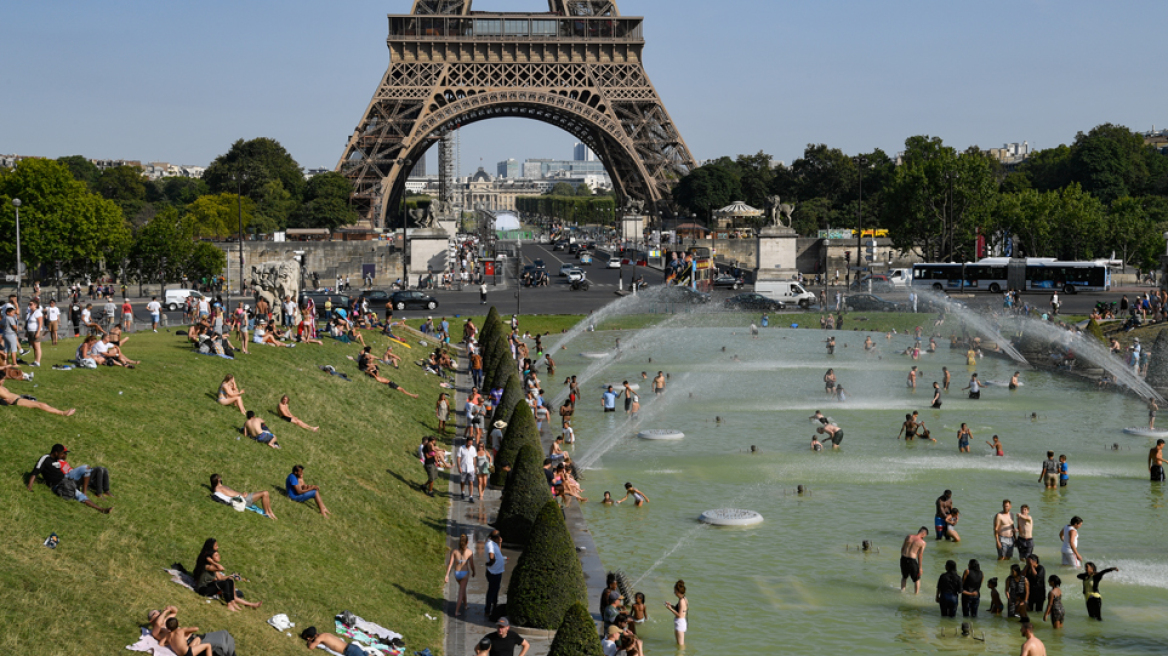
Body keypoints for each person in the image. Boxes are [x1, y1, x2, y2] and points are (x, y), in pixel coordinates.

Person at [27, 443, 112, 513]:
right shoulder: (45, 459)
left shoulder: (56, 460)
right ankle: (101, 509)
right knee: (78, 495)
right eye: (62, 453)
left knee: (86, 468)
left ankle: (85, 492)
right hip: (59, 484)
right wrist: (29, 487)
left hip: (66, 477)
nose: (63, 456)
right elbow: (35, 472)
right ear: (56, 453)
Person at [192, 539, 261, 612]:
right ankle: (229, 604)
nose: (219, 555)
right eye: (216, 555)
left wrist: (229, 577)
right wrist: (214, 562)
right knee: (225, 584)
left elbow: (220, 577)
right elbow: (221, 568)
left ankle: (233, 602)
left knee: (229, 580)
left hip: (209, 585)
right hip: (202, 589)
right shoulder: (208, 566)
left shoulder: (212, 566)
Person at [1, 367, 75, 416]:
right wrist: (5, 401)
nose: (4, 381)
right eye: (2, 379)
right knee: (41, 405)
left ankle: (61, 412)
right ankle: (62, 413)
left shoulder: (2, 387)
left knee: (42, 404)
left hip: (19, 398)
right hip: (17, 401)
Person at [211, 473, 277, 519]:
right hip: (241, 500)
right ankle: (267, 513)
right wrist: (242, 494)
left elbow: (232, 492)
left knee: (266, 493)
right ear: (218, 479)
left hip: (241, 498)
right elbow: (230, 494)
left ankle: (270, 512)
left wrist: (241, 493)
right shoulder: (218, 488)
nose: (221, 478)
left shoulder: (222, 487)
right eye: (220, 477)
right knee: (265, 493)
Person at [444, 533, 476, 616]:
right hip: (465, 574)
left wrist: (447, 575)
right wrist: (473, 572)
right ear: (467, 542)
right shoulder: (469, 552)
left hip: (457, 573)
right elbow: (472, 565)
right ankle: (456, 611)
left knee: (463, 588)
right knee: (461, 592)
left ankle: (465, 605)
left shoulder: (455, 551)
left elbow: (450, 564)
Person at [299, 626, 368, 656]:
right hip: (352, 648)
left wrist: (309, 642)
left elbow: (311, 647)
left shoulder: (319, 638)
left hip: (349, 650)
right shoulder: (325, 634)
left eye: (308, 637)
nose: (308, 639)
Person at [483, 530, 506, 617]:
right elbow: (491, 556)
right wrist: (490, 563)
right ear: (494, 537)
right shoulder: (490, 545)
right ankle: (488, 609)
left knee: (495, 590)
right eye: (498, 537)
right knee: (492, 591)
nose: (499, 538)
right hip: (494, 572)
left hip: (497, 571)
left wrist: (500, 543)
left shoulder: (493, 543)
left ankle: (494, 607)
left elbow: (498, 552)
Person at [900, 527, 928, 594]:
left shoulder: (908, 536)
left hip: (903, 558)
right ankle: (916, 595)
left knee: (904, 577)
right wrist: (920, 568)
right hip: (912, 561)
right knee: (917, 579)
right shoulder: (922, 542)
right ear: (924, 534)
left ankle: (902, 592)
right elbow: (920, 555)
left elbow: (902, 548)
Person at [665, 580, 687, 647]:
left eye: (675, 591)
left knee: (680, 646)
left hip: (680, 624)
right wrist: (671, 606)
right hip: (681, 623)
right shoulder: (684, 599)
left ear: (678, 591)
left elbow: (680, 615)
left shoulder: (681, 601)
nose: (674, 592)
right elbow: (680, 610)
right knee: (680, 645)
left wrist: (670, 609)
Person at [24, 299, 44, 367]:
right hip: (30, 331)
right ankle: (35, 361)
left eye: (31, 304)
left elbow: (40, 323)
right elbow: (28, 322)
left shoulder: (38, 312)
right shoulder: (29, 312)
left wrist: (38, 332)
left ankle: (37, 362)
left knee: (37, 346)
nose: (29, 305)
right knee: (34, 347)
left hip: (35, 331)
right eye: (29, 304)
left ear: (35, 305)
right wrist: (27, 331)